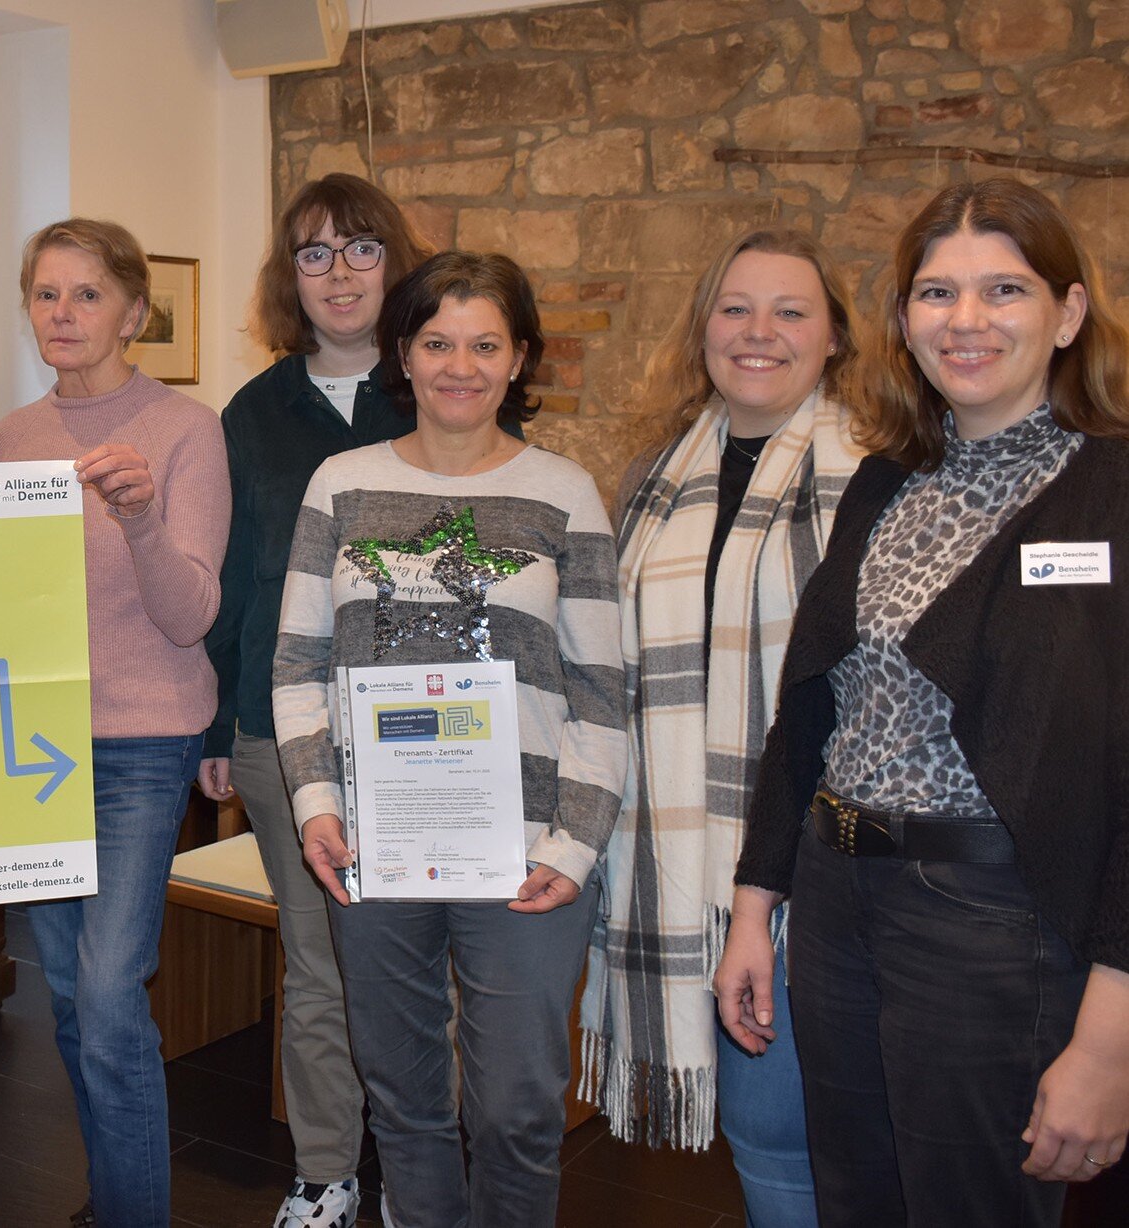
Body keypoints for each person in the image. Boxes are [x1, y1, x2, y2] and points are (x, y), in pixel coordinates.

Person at [720, 179, 1129, 1227]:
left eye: (1004, 288)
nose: (967, 319)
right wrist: (756, 905)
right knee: (854, 1199)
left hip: (994, 920)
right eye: (936, 292)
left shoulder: (1110, 489)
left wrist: (1106, 1038)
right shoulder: (885, 478)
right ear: (903, 321)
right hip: (837, 897)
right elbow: (808, 710)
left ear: (1067, 312)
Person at [273, 251, 625, 1228]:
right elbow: (298, 668)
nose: (457, 365)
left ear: (518, 360)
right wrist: (316, 806)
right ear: (402, 353)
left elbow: (601, 687)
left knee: (514, 1107)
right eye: (435, 342)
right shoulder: (340, 485)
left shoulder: (563, 493)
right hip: (376, 845)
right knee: (404, 1103)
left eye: (482, 344)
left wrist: (575, 841)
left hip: (524, 855)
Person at [579, 229, 864, 1226]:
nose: (758, 332)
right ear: (701, 328)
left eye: (790, 311)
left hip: (812, 863)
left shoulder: (876, 476)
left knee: (782, 1127)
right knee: (760, 1134)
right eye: (734, 307)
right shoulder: (652, 478)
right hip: (669, 852)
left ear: (833, 338)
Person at [200, 172, 464, 1228]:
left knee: (421, 970)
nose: (339, 273)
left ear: (393, 264)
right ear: (288, 276)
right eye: (314, 254)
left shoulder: (436, 391)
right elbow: (233, 572)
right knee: (313, 964)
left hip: (423, 732)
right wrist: (221, 722)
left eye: (359, 249)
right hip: (282, 728)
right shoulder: (252, 412)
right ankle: (324, 1173)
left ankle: (415, 1174)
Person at [0, 218, 230, 1228]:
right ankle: (114, 1193)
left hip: (143, 737)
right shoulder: (10, 436)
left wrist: (138, 516)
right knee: (70, 999)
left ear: (132, 312)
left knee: (107, 986)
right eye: (45, 294)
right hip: (35, 741)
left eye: (85, 295)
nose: (61, 313)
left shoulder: (185, 430)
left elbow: (189, 619)